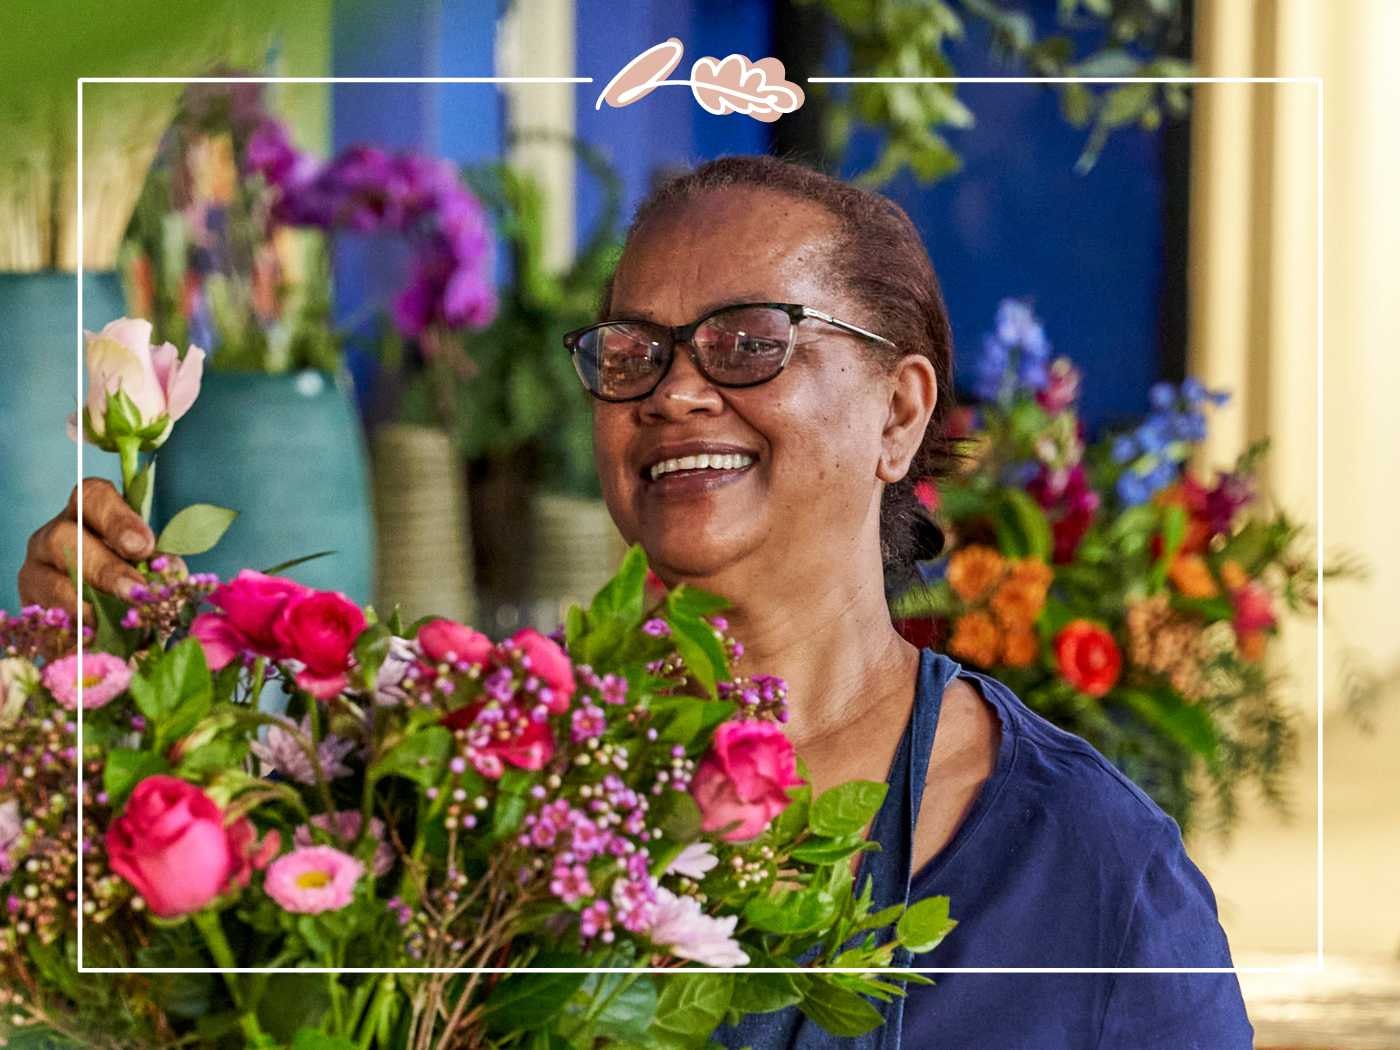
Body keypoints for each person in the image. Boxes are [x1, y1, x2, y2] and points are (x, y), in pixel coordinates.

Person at [19, 155, 1254, 1049]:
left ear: (899, 410)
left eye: (749, 342)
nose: (670, 391)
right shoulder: (437, 776)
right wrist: (106, 711)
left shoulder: (1094, 878)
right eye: (631, 352)